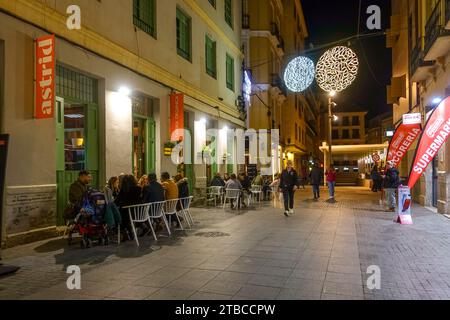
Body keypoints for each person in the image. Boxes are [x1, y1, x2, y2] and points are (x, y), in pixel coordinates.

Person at [114, 175, 142, 241]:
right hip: (138, 213)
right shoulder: (139, 189)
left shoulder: (124, 190)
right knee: (125, 214)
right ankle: (130, 232)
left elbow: (116, 202)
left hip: (127, 215)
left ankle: (124, 233)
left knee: (118, 215)